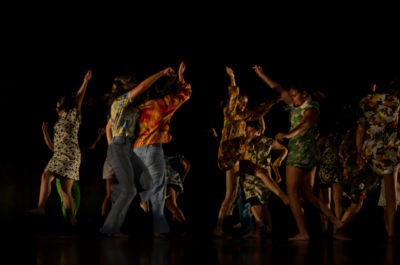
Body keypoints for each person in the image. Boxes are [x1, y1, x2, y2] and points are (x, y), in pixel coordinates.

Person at [253, 65, 342, 240]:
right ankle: (335, 221)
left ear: (304, 94)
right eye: (291, 96)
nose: (291, 98)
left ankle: (303, 232)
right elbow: (278, 88)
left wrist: (287, 134)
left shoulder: (311, 109)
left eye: (295, 95)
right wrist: (261, 74)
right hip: (311, 154)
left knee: (292, 194)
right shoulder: (299, 103)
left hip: (300, 152)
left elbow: (304, 125)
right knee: (308, 194)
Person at [100, 67, 176, 238]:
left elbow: (108, 126)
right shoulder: (118, 103)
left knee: (148, 180)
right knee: (128, 191)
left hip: (128, 147)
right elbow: (142, 86)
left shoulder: (129, 108)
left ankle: (143, 201)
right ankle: (111, 229)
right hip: (119, 146)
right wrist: (162, 72)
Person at [214, 66, 289, 237]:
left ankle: (285, 199)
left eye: (245, 103)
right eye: (242, 102)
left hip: (239, 156)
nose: (243, 104)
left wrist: (275, 101)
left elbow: (257, 113)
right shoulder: (230, 112)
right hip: (229, 156)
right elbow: (233, 94)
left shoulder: (244, 117)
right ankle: (217, 228)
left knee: (257, 175)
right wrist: (232, 77)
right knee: (229, 195)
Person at [133, 61, 192, 238]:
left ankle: (144, 199)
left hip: (137, 148)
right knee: (159, 188)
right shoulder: (166, 103)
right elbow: (185, 93)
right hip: (152, 148)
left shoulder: (142, 107)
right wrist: (181, 75)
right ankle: (158, 228)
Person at [28, 70, 93, 225]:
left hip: (69, 155)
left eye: (58, 108)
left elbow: (78, 97)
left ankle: (41, 207)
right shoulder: (61, 121)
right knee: (64, 191)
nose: (56, 110)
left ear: (65, 108)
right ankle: (71, 222)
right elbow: (53, 147)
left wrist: (85, 81)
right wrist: (45, 132)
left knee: (48, 178)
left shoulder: (73, 114)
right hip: (61, 154)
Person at [339, 81, 400, 240]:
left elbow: (360, 128)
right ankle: (391, 230)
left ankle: (338, 225)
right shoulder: (395, 102)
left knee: (359, 192)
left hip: (369, 149)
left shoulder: (365, 101)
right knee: (390, 192)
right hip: (389, 149)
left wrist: (360, 153)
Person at [42, 121, 105, 221]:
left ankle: (72, 222)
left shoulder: (76, 151)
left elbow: (92, 147)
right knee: (65, 203)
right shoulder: (60, 151)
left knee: (74, 205)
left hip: (74, 183)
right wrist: (44, 131)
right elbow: (49, 143)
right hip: (61, 182)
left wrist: (99, 136)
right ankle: (69, 222)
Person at [240, 118, 288, 238]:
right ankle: (258, 228)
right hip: (249, 179)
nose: (248, 133)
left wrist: (279, 159)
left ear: (259, 131)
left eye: (251, 131)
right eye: (247, 131)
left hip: (264, 179)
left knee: (265, 206)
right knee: (253, 202)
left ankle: (268, 230)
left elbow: (284, 149)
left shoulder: (268, 142)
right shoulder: (245, 143)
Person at [164, 154, 191, 224]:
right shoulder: (166, 157)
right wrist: (183, 176)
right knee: (172, 208)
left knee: (171, 206)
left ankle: (186, 228)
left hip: (167, 182)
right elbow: (187, 163)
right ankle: (176, 230)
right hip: (176, 182)